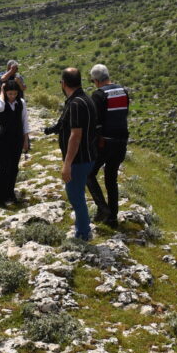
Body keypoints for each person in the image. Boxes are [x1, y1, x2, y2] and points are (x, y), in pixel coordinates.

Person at [85, 64, 130, 227]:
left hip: (105, 142)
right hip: (122, 142)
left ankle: (102, 208)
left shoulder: (98, 95)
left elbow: (96, 123)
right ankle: (113, 218)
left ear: (96, 80)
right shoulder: (123, 91)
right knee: (111, 178)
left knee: (88, 174)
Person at [57, 68, 98, 241]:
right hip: (89, 155)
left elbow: (76, 135)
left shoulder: (75, 103)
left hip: (78, 159)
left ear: (63, 83)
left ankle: (83, 233)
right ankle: (83, 228)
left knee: (75, 196)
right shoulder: (86, 99)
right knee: (78, 194)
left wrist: (67, 164)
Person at [0, 80, 30, 206]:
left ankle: (10, 193)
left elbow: (24, 121)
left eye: (14, 94)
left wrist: (26, 139)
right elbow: (0, 108)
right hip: (3, 140)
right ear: (5, 92)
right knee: (4, 168)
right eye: (10, 94)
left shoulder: (21, 103)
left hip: (17, 139)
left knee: (14, 168)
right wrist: (3, 94)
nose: (12, 96)